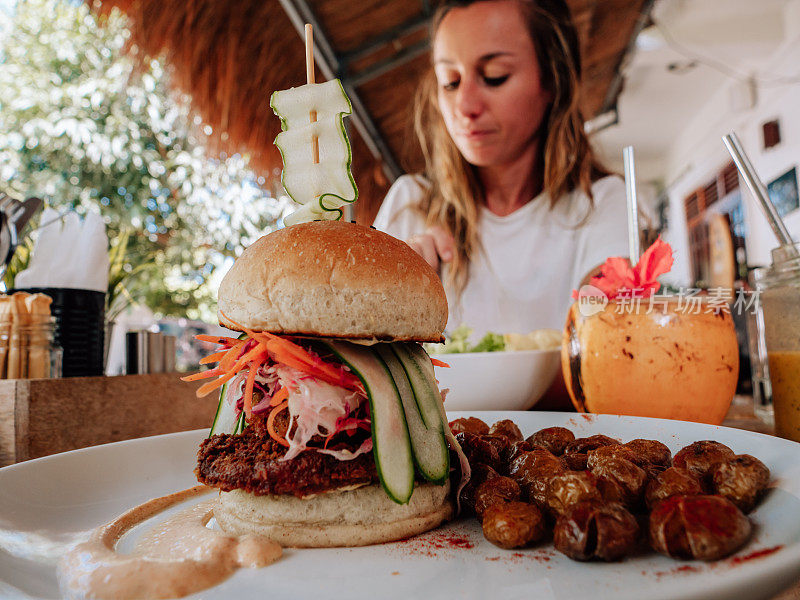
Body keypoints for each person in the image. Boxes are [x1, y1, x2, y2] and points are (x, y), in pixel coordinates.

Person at [373, 0, 630, 341]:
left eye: (495, 77)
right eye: (450, 81)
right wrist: (390, 296)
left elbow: (604, 340)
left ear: (553, 79)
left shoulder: (603, 204)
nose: (465, 106)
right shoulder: (410, 203)